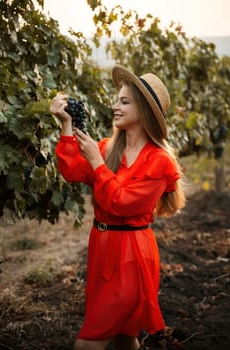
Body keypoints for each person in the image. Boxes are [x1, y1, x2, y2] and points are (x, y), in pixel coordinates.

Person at [50, 64, 186, 350]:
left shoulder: (159, 162)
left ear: (144, 112)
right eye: (117, 100)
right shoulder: (107, 148)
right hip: (101, 248)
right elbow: (73, 170)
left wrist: (98, 165)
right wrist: (65, 125)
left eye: (124, 102)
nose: (115, 106)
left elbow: (123, 203)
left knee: (88, 343)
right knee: (125, 337)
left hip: (131, 256)